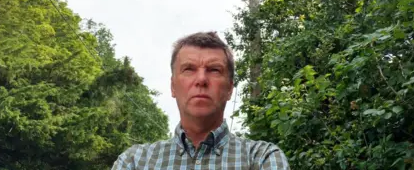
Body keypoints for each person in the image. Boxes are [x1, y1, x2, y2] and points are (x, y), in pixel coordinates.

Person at [111, 31, 290, 169]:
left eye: (214, 70)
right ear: (173, 87)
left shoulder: (262, 158)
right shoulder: (134, 161)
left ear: (229, 89)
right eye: (189, 69)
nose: (201, 79)